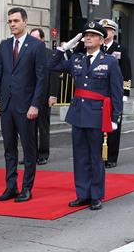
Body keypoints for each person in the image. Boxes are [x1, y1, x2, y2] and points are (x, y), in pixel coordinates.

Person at [48, 21, 123, 210]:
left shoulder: (110, 62)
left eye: (92, 35)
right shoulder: (77, 59)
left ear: (100, 39)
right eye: (85, 35)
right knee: (80, 156)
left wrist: (115, 118)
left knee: (95, 157)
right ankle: (82, 194)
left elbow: (116, 92)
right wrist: (65, 47)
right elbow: (52, 65)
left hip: (98, 115)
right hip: (79, 114)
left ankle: (96, 195)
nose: (87, 37)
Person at [0, 7, 46, 203]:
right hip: (6, 105)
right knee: (9, 148)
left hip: (26, 106)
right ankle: (10, 186)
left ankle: (27, 188)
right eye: (10, 21)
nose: (12, 24)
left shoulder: (36, 46)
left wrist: (35, 105)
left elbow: (41, 78)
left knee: (29, 148)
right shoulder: (4, 46)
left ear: (25, 22)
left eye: (15, 21)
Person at [99, 19, 132, 168]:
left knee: (113, 126)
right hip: (99, 93)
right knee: (98, 126)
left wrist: (125, 93)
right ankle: (99, 155)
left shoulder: (120, 50)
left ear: (113, 32)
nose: (105, 32)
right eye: (103, 29)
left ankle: (111, 157)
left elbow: (127, 72)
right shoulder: (96, 48)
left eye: (108, 30)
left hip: (115, 94)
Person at [28, 28, 59, 165]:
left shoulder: (50, 54)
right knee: (28, 128)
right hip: (28, 97)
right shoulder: (26, 53)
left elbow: (54, 76)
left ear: (42, 39)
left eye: (36, 38)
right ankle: (31, 155)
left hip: (44, 96)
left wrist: (53, 95)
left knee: (43, 127)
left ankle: (43, 154)